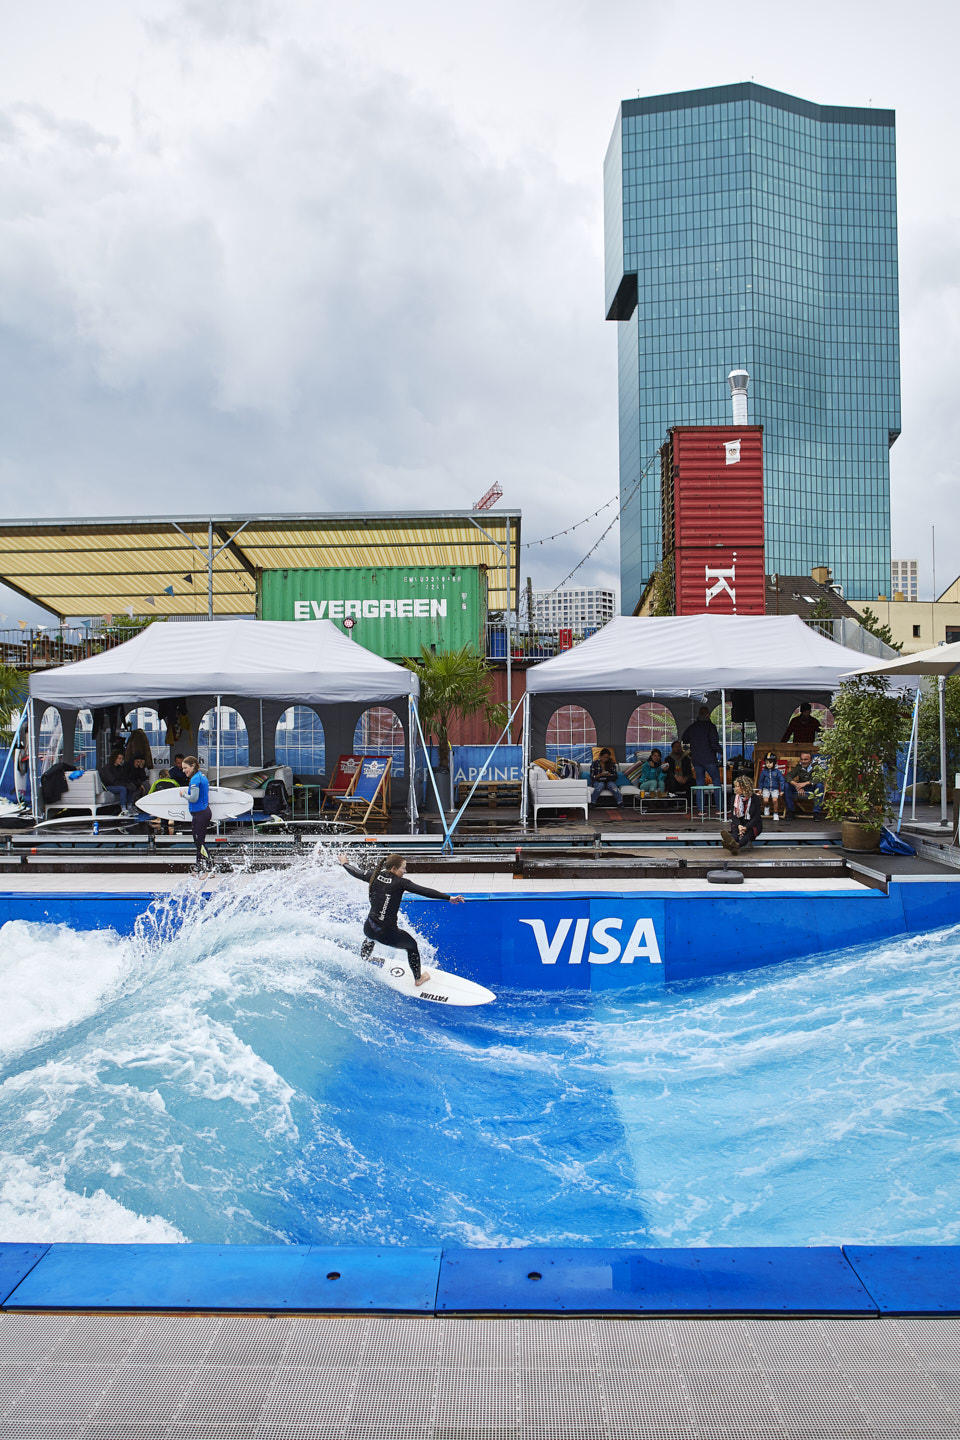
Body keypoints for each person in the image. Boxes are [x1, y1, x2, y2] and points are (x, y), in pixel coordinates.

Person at [339, 852, 465, 987]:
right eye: (403, 868)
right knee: (412, 946)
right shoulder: (401, 883)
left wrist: (344, 863)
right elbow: (425, 891)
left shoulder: (373, 876)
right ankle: (418, 979)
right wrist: (448, 898)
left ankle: (364, 958)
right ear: (394, 869)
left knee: (370, 937)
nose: (405, 871)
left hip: (369, 928)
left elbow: (355, 872)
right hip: (387, 934)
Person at [681, 706, 723, 813]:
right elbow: (714, 743)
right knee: (716, 782)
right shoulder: (710, 726)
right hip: (709, 758)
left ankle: (701, 810)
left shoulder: (693, 727)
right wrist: (722, 752)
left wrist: (695, 742)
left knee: (700, 784)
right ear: (707, 714)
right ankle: (719, 808)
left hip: (697, 759)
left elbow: (684, 738)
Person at [182, 755, 212, 867]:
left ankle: (210, 866)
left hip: (201, 814)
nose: (183, 770)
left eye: (185, 768)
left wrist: (184, 794)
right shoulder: (201, 776)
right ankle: (199, 866)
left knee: (199, 842)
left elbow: (194, 798)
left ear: (193, 766)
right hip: (201, 813)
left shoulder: (195, 779)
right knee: (198, 842)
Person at [721, 776, 763, 855]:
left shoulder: (755, 799)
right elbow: (733, 816)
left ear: (745, 787)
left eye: (738, 786)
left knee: (748, 833)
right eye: (736, 786)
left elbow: (756, 817)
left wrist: (746, 827)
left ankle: (736, 846)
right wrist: (739, 826)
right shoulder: (734, 798)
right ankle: (732, 842)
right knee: (735, 834)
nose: (736, 788)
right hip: (739, 823)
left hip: (752, 824)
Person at [785, 751, 825, 821]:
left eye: (805, 759)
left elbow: (820, 778)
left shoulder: (816, 767)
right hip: (800, 787)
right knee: (787, 785)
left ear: (811, 760)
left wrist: (806, 783)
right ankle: (790, 811)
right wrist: (796, 785)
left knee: (820, 786)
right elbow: (788, 776)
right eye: (801, 759)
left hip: (812, 787)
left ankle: (816, 813)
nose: (803, 761)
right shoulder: (798, 767)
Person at [99, 747, 133, 813]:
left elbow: (124, 778)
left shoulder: (120, 768)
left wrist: (128, 784)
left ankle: (130, 807)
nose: (121, 760)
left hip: (117, 785)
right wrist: (125, 785)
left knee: (130, 788)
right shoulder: (107, 768)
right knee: (123, 789)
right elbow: (112, 781)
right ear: (114, 758)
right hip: (107, 786)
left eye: (122, 758)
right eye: (119, 758)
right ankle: (123, 809)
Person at [756, 751, 787, 820]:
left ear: (774, 763)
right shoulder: (764, 772)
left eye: (770, 763)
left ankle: (775, 813)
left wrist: (782, 790)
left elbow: (781, 780)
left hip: (775, 789)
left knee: (775, 800)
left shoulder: (777, 772)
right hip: (766, 789)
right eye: (766, 763)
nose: (768, 764)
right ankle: (766, 807)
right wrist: (760, 789)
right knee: (765, 800)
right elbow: (761, 781)